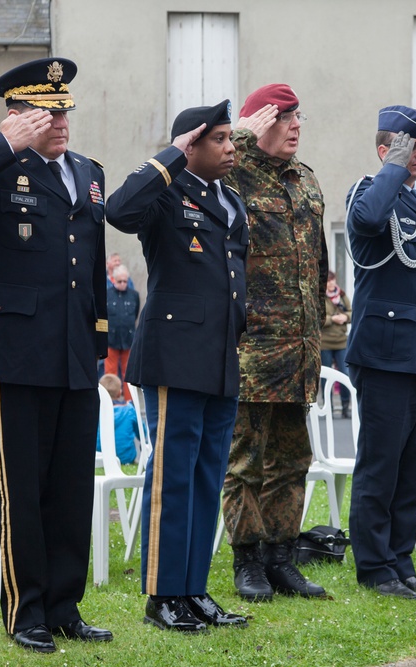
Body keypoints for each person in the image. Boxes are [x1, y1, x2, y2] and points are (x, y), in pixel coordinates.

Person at [0, 57, 111, 651]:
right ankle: (27, 609)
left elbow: (92, 263)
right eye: (45, 112)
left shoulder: (88, 172)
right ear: (16, 116)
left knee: (71, 485)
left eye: (64, 109)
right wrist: (1, 144)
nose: (59, 121)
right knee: (24, 486)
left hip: (72, 353)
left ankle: (66, 604)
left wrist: (98, 341)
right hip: (16, 352)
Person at [106, 100, 249, 632]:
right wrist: (171, 156)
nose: (232, 148)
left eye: (232, 138)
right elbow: (118, 210)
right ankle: (162, 594)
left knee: (208, 476)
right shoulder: (166, 192)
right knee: (172, 477)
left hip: (218, 357)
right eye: (219, 140)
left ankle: (193, 589)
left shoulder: (229, 200)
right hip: (174, 355)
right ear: (191, 145)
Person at [344, 105, 416, 599]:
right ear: (385, 150)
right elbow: (372, 218)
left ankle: (401, 561)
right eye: (408, 146)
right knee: (381, 466)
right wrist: (396, 163)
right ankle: (375, 568)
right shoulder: (367, 192)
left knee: (412, 470)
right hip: (386, 354)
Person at [221, 83, 329, 602]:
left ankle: (281, 559)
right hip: (253, 350)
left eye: (296, 115)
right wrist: (239, 140)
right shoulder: (230, 175)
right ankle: (247, 561)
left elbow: (319, 263)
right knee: (245, 462)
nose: (294, 125)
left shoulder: (305, 182)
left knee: (292, 460)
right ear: (256, 123)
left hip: (300, 350)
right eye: (281, 117)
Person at [320, 271, 352, 419]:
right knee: (325, 377)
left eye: (332, 280)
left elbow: (353, 313)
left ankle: (346, 406)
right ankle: (328, 409)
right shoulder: (320, 297)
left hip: (341, 342)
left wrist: (345, 316)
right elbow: (318, 318)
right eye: (328, 281)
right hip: (325, 343)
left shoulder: (343, 296)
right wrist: (333, 319)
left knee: (344, 375)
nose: (331, 283)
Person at [106, 264, 140, 401]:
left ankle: (129, 403)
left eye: (125, 281)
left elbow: (136, 313)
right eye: (119, 281)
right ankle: (110, 402)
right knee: (110, 373)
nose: (123, 284)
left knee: (129, 374)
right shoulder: (107, 294)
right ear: (113, 280)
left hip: (128, 338)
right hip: (111, 339)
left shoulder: (134, 295)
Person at [97, 374, 138, 465]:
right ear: (120, 393)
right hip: (126, 457)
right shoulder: (129, 410)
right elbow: (141, 432)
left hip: (99, 456)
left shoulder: (95, 410)